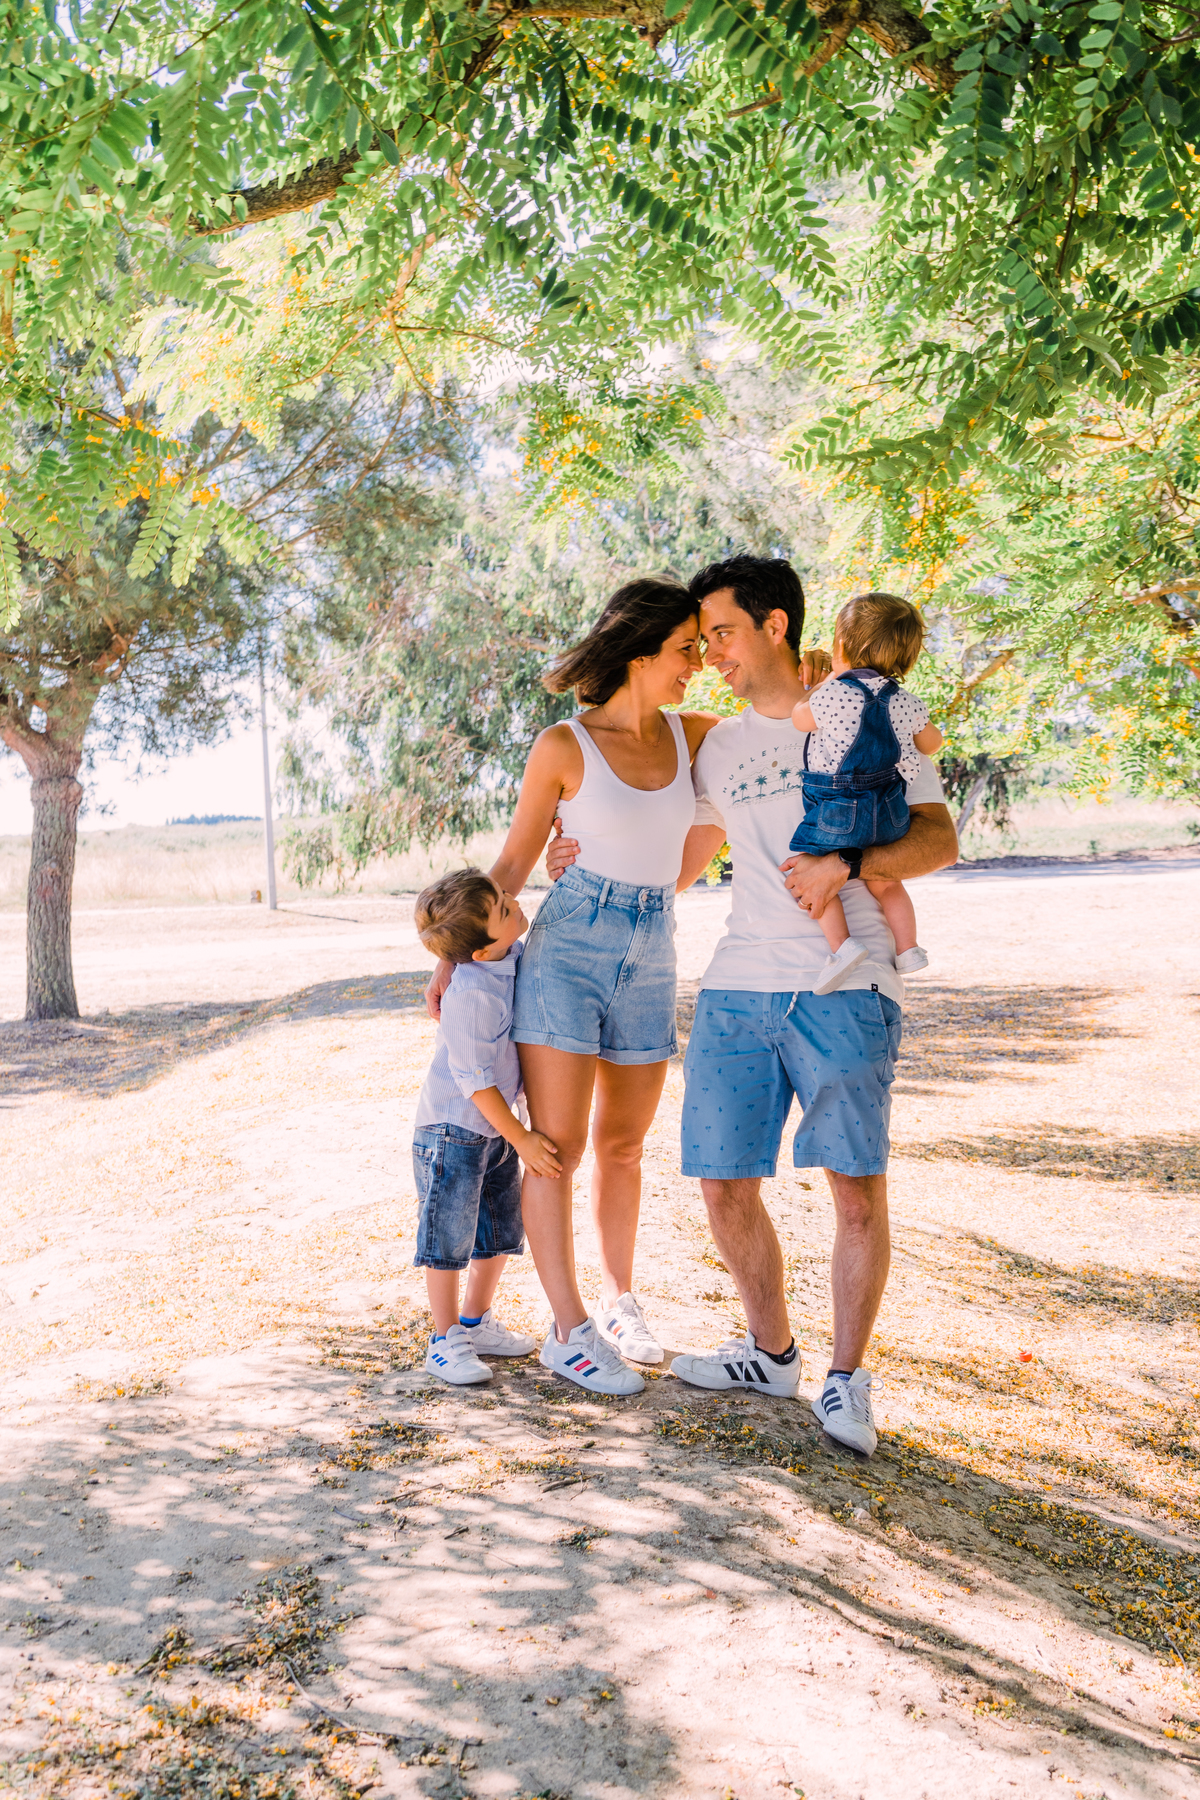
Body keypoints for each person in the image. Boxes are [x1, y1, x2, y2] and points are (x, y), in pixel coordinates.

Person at [549, 557, 958, 1454]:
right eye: (698, 643)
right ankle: (770, 1352)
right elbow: (677, 849)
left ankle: (847, 1380)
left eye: (722, 635)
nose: (710, 656)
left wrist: (848, 867)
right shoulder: (720, 746)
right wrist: (580, 869)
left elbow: (939, 841)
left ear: (777, 627)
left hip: (847, 981)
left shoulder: (867, 715)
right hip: (737, 983)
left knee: (854, 1189)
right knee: (722, 1177)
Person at [424, 579, 720, 1397]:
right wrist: (452, 956)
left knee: (624, 1145)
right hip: (567, 951)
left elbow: (770, 743)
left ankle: (620, 1304)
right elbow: (515, 862)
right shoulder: (565, 746)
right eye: (687, 650)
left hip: (651, 947)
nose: (699, 664)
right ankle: (568, 1329)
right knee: (558, 1149)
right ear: (640, 653)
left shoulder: (695, 738)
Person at [411, 868, 558, 1385]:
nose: (511, 901)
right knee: (449, 1236)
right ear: (476, 952)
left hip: (492, 1131)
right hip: (453, 1129)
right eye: (501, 908)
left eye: (500, 896)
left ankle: (475, 1320)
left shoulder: (509, 956)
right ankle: (443, 1337)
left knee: (498, 1229)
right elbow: (472, 1080)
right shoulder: (471, 992)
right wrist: (520, 1135)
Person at [788, 592, 945, 996]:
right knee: (887, 882)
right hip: (890, 811)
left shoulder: (833, 693)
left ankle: (842, 948)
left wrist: (819, 686)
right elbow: (932, 743)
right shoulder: (906, 702)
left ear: (841, 646)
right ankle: (908, 948)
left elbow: (800, 719)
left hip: (840, 809)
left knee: (809, 871)